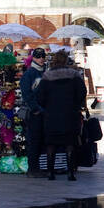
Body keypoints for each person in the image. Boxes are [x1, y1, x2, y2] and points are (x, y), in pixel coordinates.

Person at [36, 49, 87, 181]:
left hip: (51, 115)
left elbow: (40, 96)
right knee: (70, 143)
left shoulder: (47, 76)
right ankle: (70, 173)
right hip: (70, 114)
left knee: (51, 144)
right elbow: (82, 92)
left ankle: (50, 173)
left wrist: (47, 105)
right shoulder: (74, 75)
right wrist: (76, 104)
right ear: (65, 61)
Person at [19, 48, 47, 177]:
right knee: (34, 140)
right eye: (38, 56)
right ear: (33, 58)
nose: (41, 59)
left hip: (44, 112)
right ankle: (32, 169)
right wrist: (35, 109)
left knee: (41, 140)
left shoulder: (45, 72)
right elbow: (27, 94)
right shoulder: (29, 74)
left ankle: (38, 168)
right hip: (34, 113)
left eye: (43, 56)